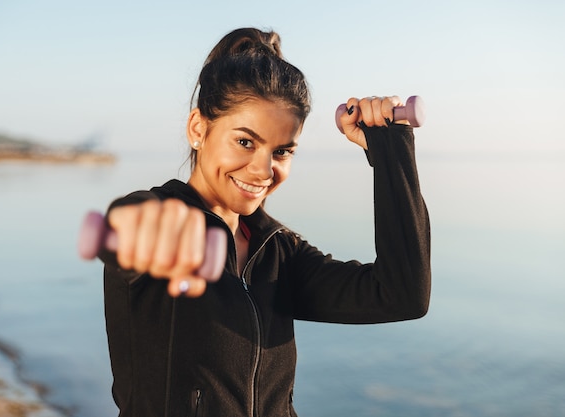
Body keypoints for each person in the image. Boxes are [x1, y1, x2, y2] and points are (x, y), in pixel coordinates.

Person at [99, 27, 431, 417]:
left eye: (282, 151)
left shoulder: (279, 253)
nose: (263, 170)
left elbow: (402, 295)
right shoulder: (160, 218)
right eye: (245, 142)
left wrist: (389, 148)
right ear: (198, 129)